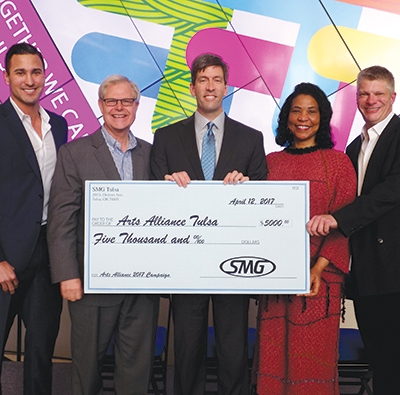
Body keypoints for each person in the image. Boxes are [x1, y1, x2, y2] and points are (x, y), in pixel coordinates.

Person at [151, 52, 267, 395]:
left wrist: (247, 185)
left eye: (217, 79)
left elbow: (263, 198)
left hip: (234, 261)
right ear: (192, 88)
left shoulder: (251, 138)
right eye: (203, 80)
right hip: (185, 263)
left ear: (226, 87)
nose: (210, 86)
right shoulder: (166, 137)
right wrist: (167, 183)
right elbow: (153, 197)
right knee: (186, 349)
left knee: (233, 348)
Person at [47, 75, 159, 395]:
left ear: (137, 106)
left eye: (126, 101)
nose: (119, 108)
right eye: (112, 101)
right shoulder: (75, 153)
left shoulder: (153, 156)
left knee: (136, 371)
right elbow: (61, 219)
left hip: (141, 284)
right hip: (91, 283)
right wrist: (67, 274)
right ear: (100, 105)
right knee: (87, 370)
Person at [255, 83, 356, 395]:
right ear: (286, 118)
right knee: (272, 361)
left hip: (319, 282)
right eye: (296, 110)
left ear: (322, 119)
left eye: (312, 111)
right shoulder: (270, 162)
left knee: (311, 365)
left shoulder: (338, 163)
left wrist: (316, 269)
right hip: (274, 280)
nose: (303, 117)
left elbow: (345, 224)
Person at [307, 66, 400, 395]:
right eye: (364, 93)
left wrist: (336, 218)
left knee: (394, 362)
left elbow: (390, 191)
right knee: (380, 359)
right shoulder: (352, 149)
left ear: (393, 97)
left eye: (378, 94)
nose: (371, 100)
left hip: (394, 271)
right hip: (364, 273)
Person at [0, 43, 67, 394]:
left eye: (36, 72)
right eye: (21, 72)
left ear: (45, 75)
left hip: (46, 256)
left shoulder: (60, 124)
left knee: (41, 356)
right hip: (5, 260)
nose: (30, 80)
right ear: (7, 76)